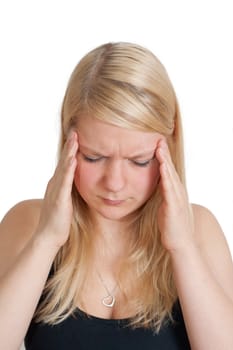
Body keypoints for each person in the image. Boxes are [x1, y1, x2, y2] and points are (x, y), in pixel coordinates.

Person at [0, 42, 233, 350]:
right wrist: (47, 239)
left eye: (139, 161)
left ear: (168, 146)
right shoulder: (27, 222)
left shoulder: (198, 229)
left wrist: (182, 248)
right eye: (94, 157)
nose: (114, 183)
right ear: (68, 141)